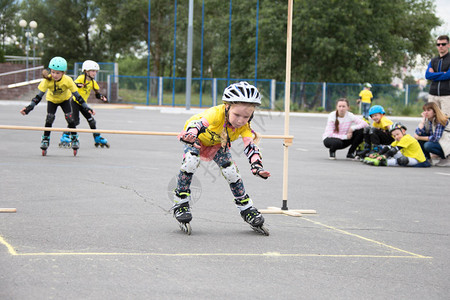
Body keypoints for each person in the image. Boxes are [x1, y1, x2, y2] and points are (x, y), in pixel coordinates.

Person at [172, 81, 271, 232]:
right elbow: (199, 123)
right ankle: (181, 202)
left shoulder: (245, 126)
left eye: (246, 116)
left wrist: (257, 166)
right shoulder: (216, 113)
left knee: (231, 172)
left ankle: (247, 209)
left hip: (219, 143)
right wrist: (191, 134)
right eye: (236, 115)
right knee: (191, 161)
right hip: (196, 138)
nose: (240, 120)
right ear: (227, 107)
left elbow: (250, 146)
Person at [20, 56, 95, 155]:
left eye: (58, 73)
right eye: (53, 72)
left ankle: (74, 137)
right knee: (49, 118)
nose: (54, 75)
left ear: (63, 73)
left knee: (70, 118)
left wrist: (86, 107)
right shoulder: (47, 80)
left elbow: (78, 97)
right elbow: (38, 97)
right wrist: (29, 108)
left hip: (64, 100)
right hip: (52, 100)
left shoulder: (68, 80)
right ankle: (45, 138)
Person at [60, 60, 109, 148]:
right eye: (93, 71)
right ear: (86, 71)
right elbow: (72, 84)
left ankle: (97, 137)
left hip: (83, 104)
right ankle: (65, 136)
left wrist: (102, 97)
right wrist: (77, 85)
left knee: (91, 121)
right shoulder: (81, 78)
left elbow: (97, 93)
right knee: (75, 121)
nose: (95, 73)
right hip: (75, 102)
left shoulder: (93, 82)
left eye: (96, 71)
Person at [364, 122, 430, 167]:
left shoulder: (407, 138)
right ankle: (381, 159)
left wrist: (384, 156)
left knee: (402, 159)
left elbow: (395, 149)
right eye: (394, 136)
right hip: (408, 155)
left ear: (403, 131)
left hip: (417, 160)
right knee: (392, 152)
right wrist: (378, 154)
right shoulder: (398, 139)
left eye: (397, 134)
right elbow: (389, 147)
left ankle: (385, 162)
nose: (396, 137)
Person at [414, 102, 450, 167]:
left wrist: (419, 137)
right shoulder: (428, 121)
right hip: (441, 143)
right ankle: (427, 159)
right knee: (421, 137)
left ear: (435, 112)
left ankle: (446, 158)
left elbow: (435, 138)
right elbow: (418, 133)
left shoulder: (441, 120)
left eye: (428, 110)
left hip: (447, 144)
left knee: (428, 145)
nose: (426, 112)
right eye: (425, 110)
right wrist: (422, 121)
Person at [425, 35, 450, 116]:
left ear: (448, 45)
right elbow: (428, 75)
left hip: (446, 95)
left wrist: (434, 75)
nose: (440, 46)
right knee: (431, 120)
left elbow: (448, 75)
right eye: (438, 44)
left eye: (443, 44)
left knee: (446, 120)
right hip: (433, 94)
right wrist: (443, 73)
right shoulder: (433, 60)